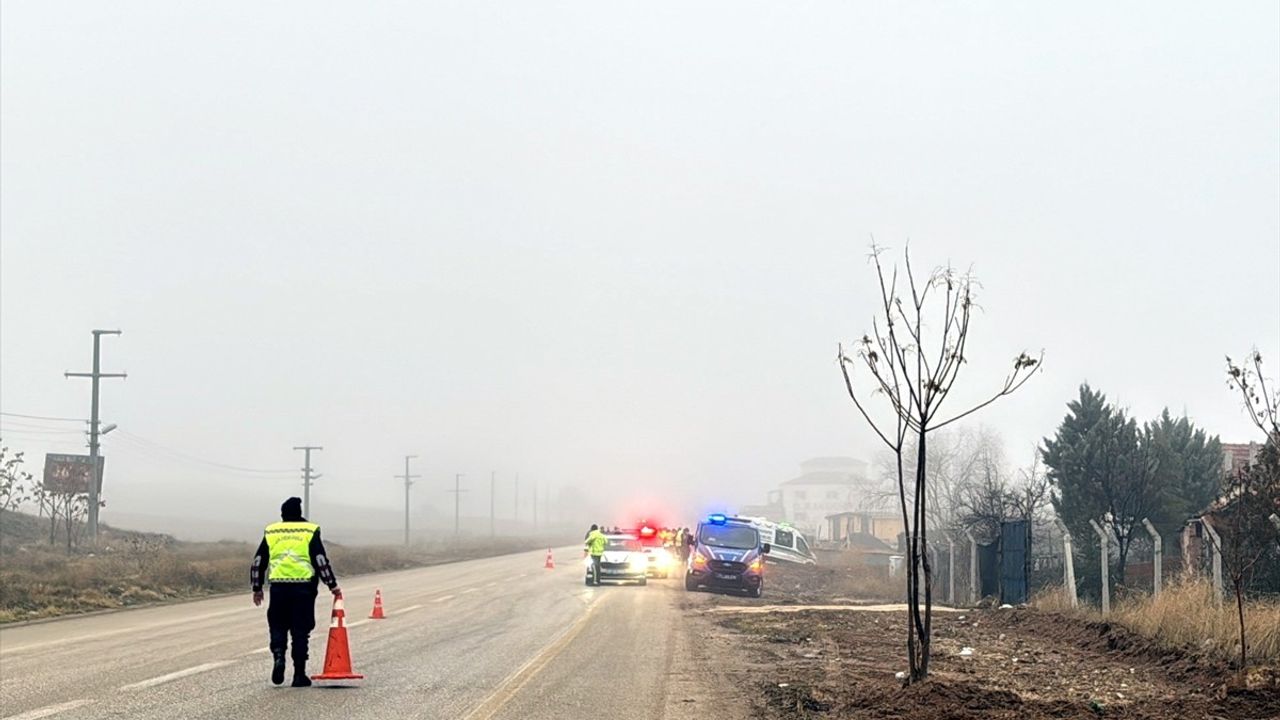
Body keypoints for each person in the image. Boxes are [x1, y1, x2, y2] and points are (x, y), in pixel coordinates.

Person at [250, 497, 341, 687]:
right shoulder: (310, 531)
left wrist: (257, 588)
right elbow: (320, 560)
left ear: (282, 514)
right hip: (304, 588)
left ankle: (278, 655)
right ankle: (299, 674)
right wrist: (332, 584)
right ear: (300, 513)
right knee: (300, 631)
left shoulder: (272, 531)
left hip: (278, 587)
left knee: (278, 625)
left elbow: (258, 561)